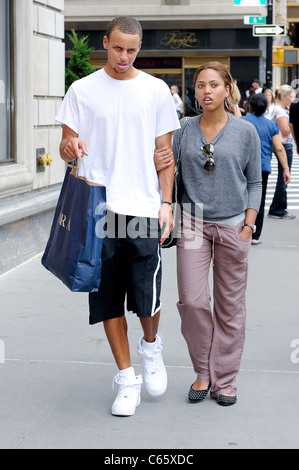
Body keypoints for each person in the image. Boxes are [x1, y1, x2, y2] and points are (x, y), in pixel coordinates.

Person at [55, 16, 180, 417]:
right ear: (105, 42)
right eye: (117, 47)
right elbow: (63, 146)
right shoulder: (82, 90)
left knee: (149, 298)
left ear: (139, 48)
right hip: (97, 209)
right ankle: (127, 378)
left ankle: (151, 345)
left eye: (132, 49)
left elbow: (165, 156)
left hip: (143, 207)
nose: (123, 56)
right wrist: (71, 146)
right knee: (106, 297)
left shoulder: (156, 90)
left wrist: (166, 203)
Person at [155, 61, 262, 406]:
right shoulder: (184, 128)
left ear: (228, 88)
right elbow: (166, 164)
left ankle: (226, 379)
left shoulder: (245, 131)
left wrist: (248, 224)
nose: (206, 91)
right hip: (193, 223)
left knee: (230, 306)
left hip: (233, 225)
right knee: (193, 301)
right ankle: (203, 370)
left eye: (214, 84)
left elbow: (256, 181)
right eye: (201, 85)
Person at [243, 94, 291, 245]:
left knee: (242, 198)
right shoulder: (271, 125)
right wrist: (286, 169)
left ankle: (240, 231)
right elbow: (279, 148)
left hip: (242, 165)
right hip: (262, 166)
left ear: (250, 107)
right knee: (259, 201)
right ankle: (255, 236)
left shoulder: (242, 122)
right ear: (266, 109)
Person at [268, 85, 296, 220]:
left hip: (280, 144)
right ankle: (278, 209)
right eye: (290, 97)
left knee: (282, 177)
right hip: (284, 144)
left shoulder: (275, 108)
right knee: (284, 177)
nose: (292, 99)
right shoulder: (280, 111)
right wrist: (292, 121)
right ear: (283, 96)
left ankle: (277, 207)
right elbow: (285, 131)